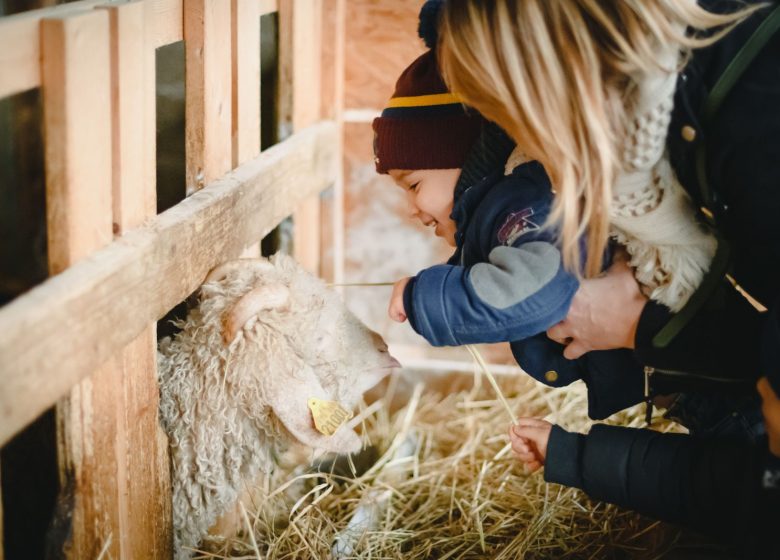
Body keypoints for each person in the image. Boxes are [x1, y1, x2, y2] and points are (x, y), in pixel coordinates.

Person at [434, 0, 780, 553]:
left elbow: (754, 471)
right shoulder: (678, 116)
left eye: (527, 120)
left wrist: (640, 328)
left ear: (554, 84)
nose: (543, 150)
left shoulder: (754, 123)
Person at [373, 48, 647, 420]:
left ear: (466, 159)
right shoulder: (498, 213)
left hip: (692, 375)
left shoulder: (523, 202)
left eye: (414, 184)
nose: (412, 207)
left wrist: (422, 298)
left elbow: (537, 289)